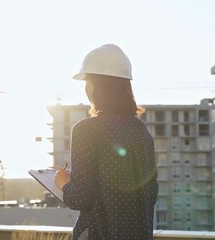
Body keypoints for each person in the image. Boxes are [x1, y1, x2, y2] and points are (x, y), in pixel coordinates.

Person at [55, 44, 158, 240]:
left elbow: (79, 197)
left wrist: (65, 183)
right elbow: (150, 195)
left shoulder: (87, 130)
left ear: (96, 86)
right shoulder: (141, 131)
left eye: (87, 80)